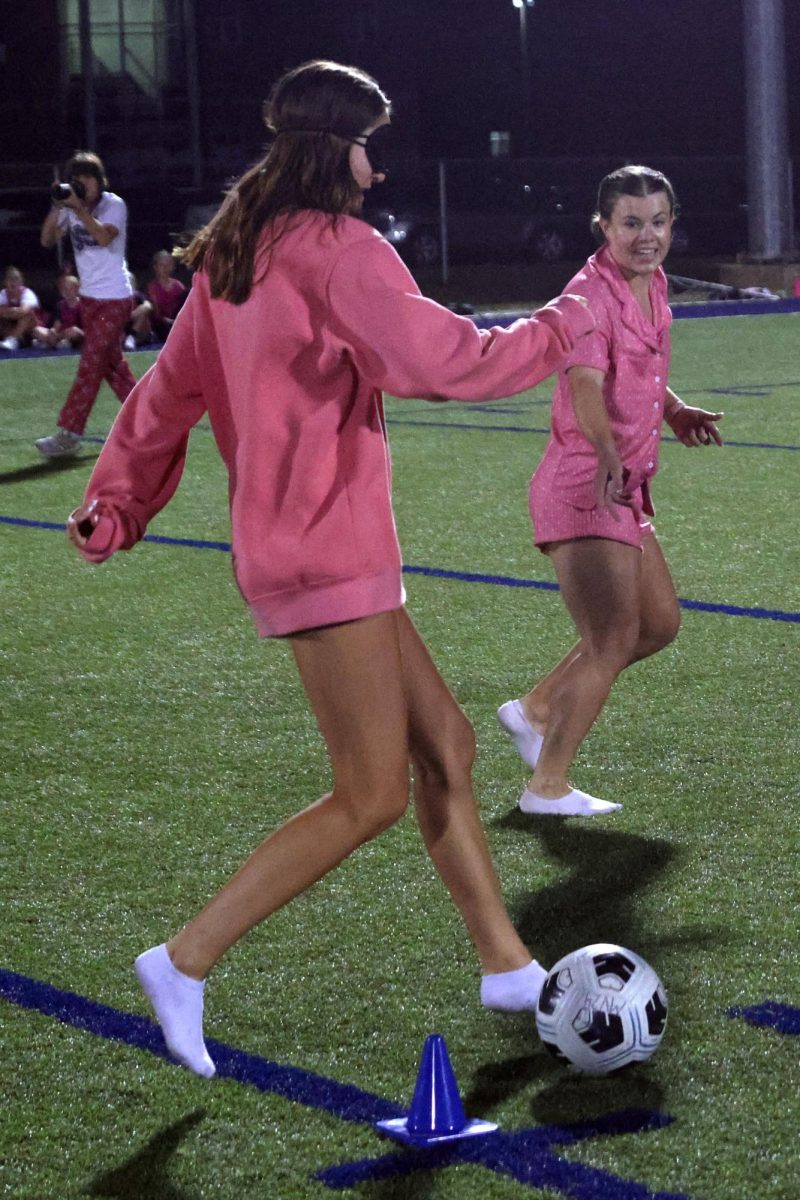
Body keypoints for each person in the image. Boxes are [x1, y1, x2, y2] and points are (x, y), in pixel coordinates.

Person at [67, 59, 594, 1079]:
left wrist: (119, 502)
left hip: (305, 545)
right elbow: (439, 361)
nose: (377, 169)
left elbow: (165, 395)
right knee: (369, 795)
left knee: (443, 743)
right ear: (331, 147)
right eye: (368, 146)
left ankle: (503, 962)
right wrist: (559, 329)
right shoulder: (336, 249)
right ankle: (185, 958)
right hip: (326, 552)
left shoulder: (236, 251)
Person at [497, 165, 723, 818]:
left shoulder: (655, 284)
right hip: (584, 485)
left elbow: (639, 367)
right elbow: (586, 383)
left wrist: (673, 410)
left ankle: (537, 708)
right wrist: (603, 446)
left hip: (625, 489)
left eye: (657, 222)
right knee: (613, 637)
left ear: (672, 223)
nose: (646, 236)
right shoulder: (586, 297)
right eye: (631, 223)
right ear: (604, 226)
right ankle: (547, 786)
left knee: (658, 624)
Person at [36, 151, 136, 458]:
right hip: (90, 298)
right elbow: (46, 240)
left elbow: (104, 238)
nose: (82, 182)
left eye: (87, 177)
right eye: (76, 177)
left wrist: (79, 210)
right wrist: (58, 206)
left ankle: (70, 434)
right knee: (112, 367)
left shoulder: (113, 205)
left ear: (99, 179)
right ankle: (148, 418)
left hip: (115, 296)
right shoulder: (72, 207)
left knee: (90, 365)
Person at [32, 273, 84, 350]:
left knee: (74, 330)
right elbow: (57, 325)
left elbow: (85, 327)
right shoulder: (60, 305)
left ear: (77, 290)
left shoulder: (82, 305)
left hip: (76, 334)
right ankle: (55, 343)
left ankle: (49, 343)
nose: (67, 292)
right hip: (62, 334)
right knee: (37, 330)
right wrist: (53, 331)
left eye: (70, 289)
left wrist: (61, 334)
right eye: (65, 289)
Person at [147, 249, 187, 342]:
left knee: (187, 293)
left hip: (177, 320)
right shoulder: (153, 287)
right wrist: (169, 321)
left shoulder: (178, 285)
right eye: (162, 265)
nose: (165, 268)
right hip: (162, 323)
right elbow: (156, 314)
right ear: (155, 267)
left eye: (168, 265)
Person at [0, 266, 42, 350]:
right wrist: (15, 312)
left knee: (27, 314)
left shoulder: (28, 293)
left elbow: (24, 311)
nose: (13, 282)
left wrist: (8, 312)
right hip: (11, 327)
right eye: (10, 279)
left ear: (21, 281)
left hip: (31, 329)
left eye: (15, 279)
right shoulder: (3, 294)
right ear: (5, 282)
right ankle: (12, 339)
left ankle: (13, 340)